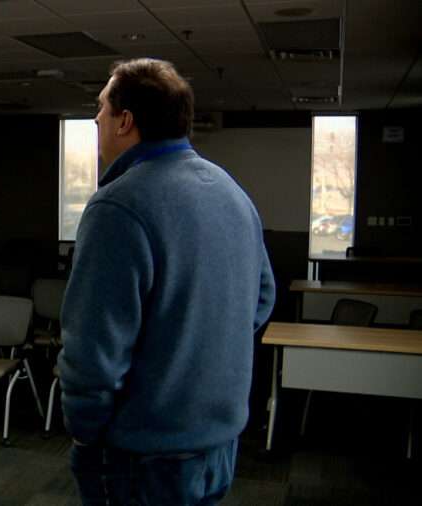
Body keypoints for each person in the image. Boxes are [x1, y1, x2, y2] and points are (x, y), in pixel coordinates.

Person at [59, 58, 276, 505]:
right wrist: (198, 355)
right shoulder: (232, 192)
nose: (96, 119)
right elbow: (262, 298)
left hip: (142, 455)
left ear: (125, 121)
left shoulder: (117, 207)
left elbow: (93, 352)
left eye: (100, 108)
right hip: (219, 444)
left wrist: (85, 433)